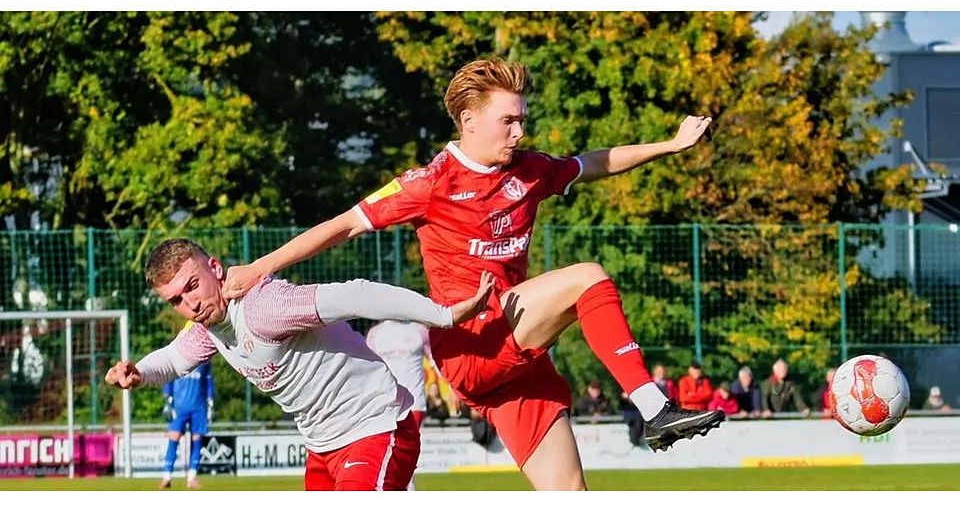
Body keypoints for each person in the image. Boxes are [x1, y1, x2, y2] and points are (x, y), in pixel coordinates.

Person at [222, 58, 723, 490]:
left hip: (514, 361)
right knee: (587, 276)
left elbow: (591, 163)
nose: (519, 132)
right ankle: (654, 407)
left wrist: (670, 145)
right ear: (468, 120)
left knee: (570, 495)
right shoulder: (429, 183)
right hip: (469, 340)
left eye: (522, 120)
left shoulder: (528, 169)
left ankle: (652, 412)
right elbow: (343, 226)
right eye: (508, 121)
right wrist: (260, 267)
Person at [104, 238, 492, 491]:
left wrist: (442, 315)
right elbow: (172, 358)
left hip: (376, 427)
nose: (189, 304)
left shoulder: (264, 308)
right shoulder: (208, 326)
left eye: (192, 285)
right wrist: (138, 372)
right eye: (175, 299)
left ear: (216, 269)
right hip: (321, 448)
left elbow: (356, 295)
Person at [365, 320, 431, 428]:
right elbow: (368, 369)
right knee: (391, 444)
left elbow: (436, 363)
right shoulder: (375, 333)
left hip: (415, 403)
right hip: (385, 404)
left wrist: (453, 390)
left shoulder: (420, 330)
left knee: (410, 444)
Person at [159, 361, 214, 489]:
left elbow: (208, 381)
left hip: (199, 408)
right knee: (173, 440)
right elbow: (168, 379)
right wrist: (167, 401)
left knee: (197, 441)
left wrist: (211, 402)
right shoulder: (177, 358)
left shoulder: (204, 361)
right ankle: (167, 477)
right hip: (179, 408)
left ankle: (192, 478)